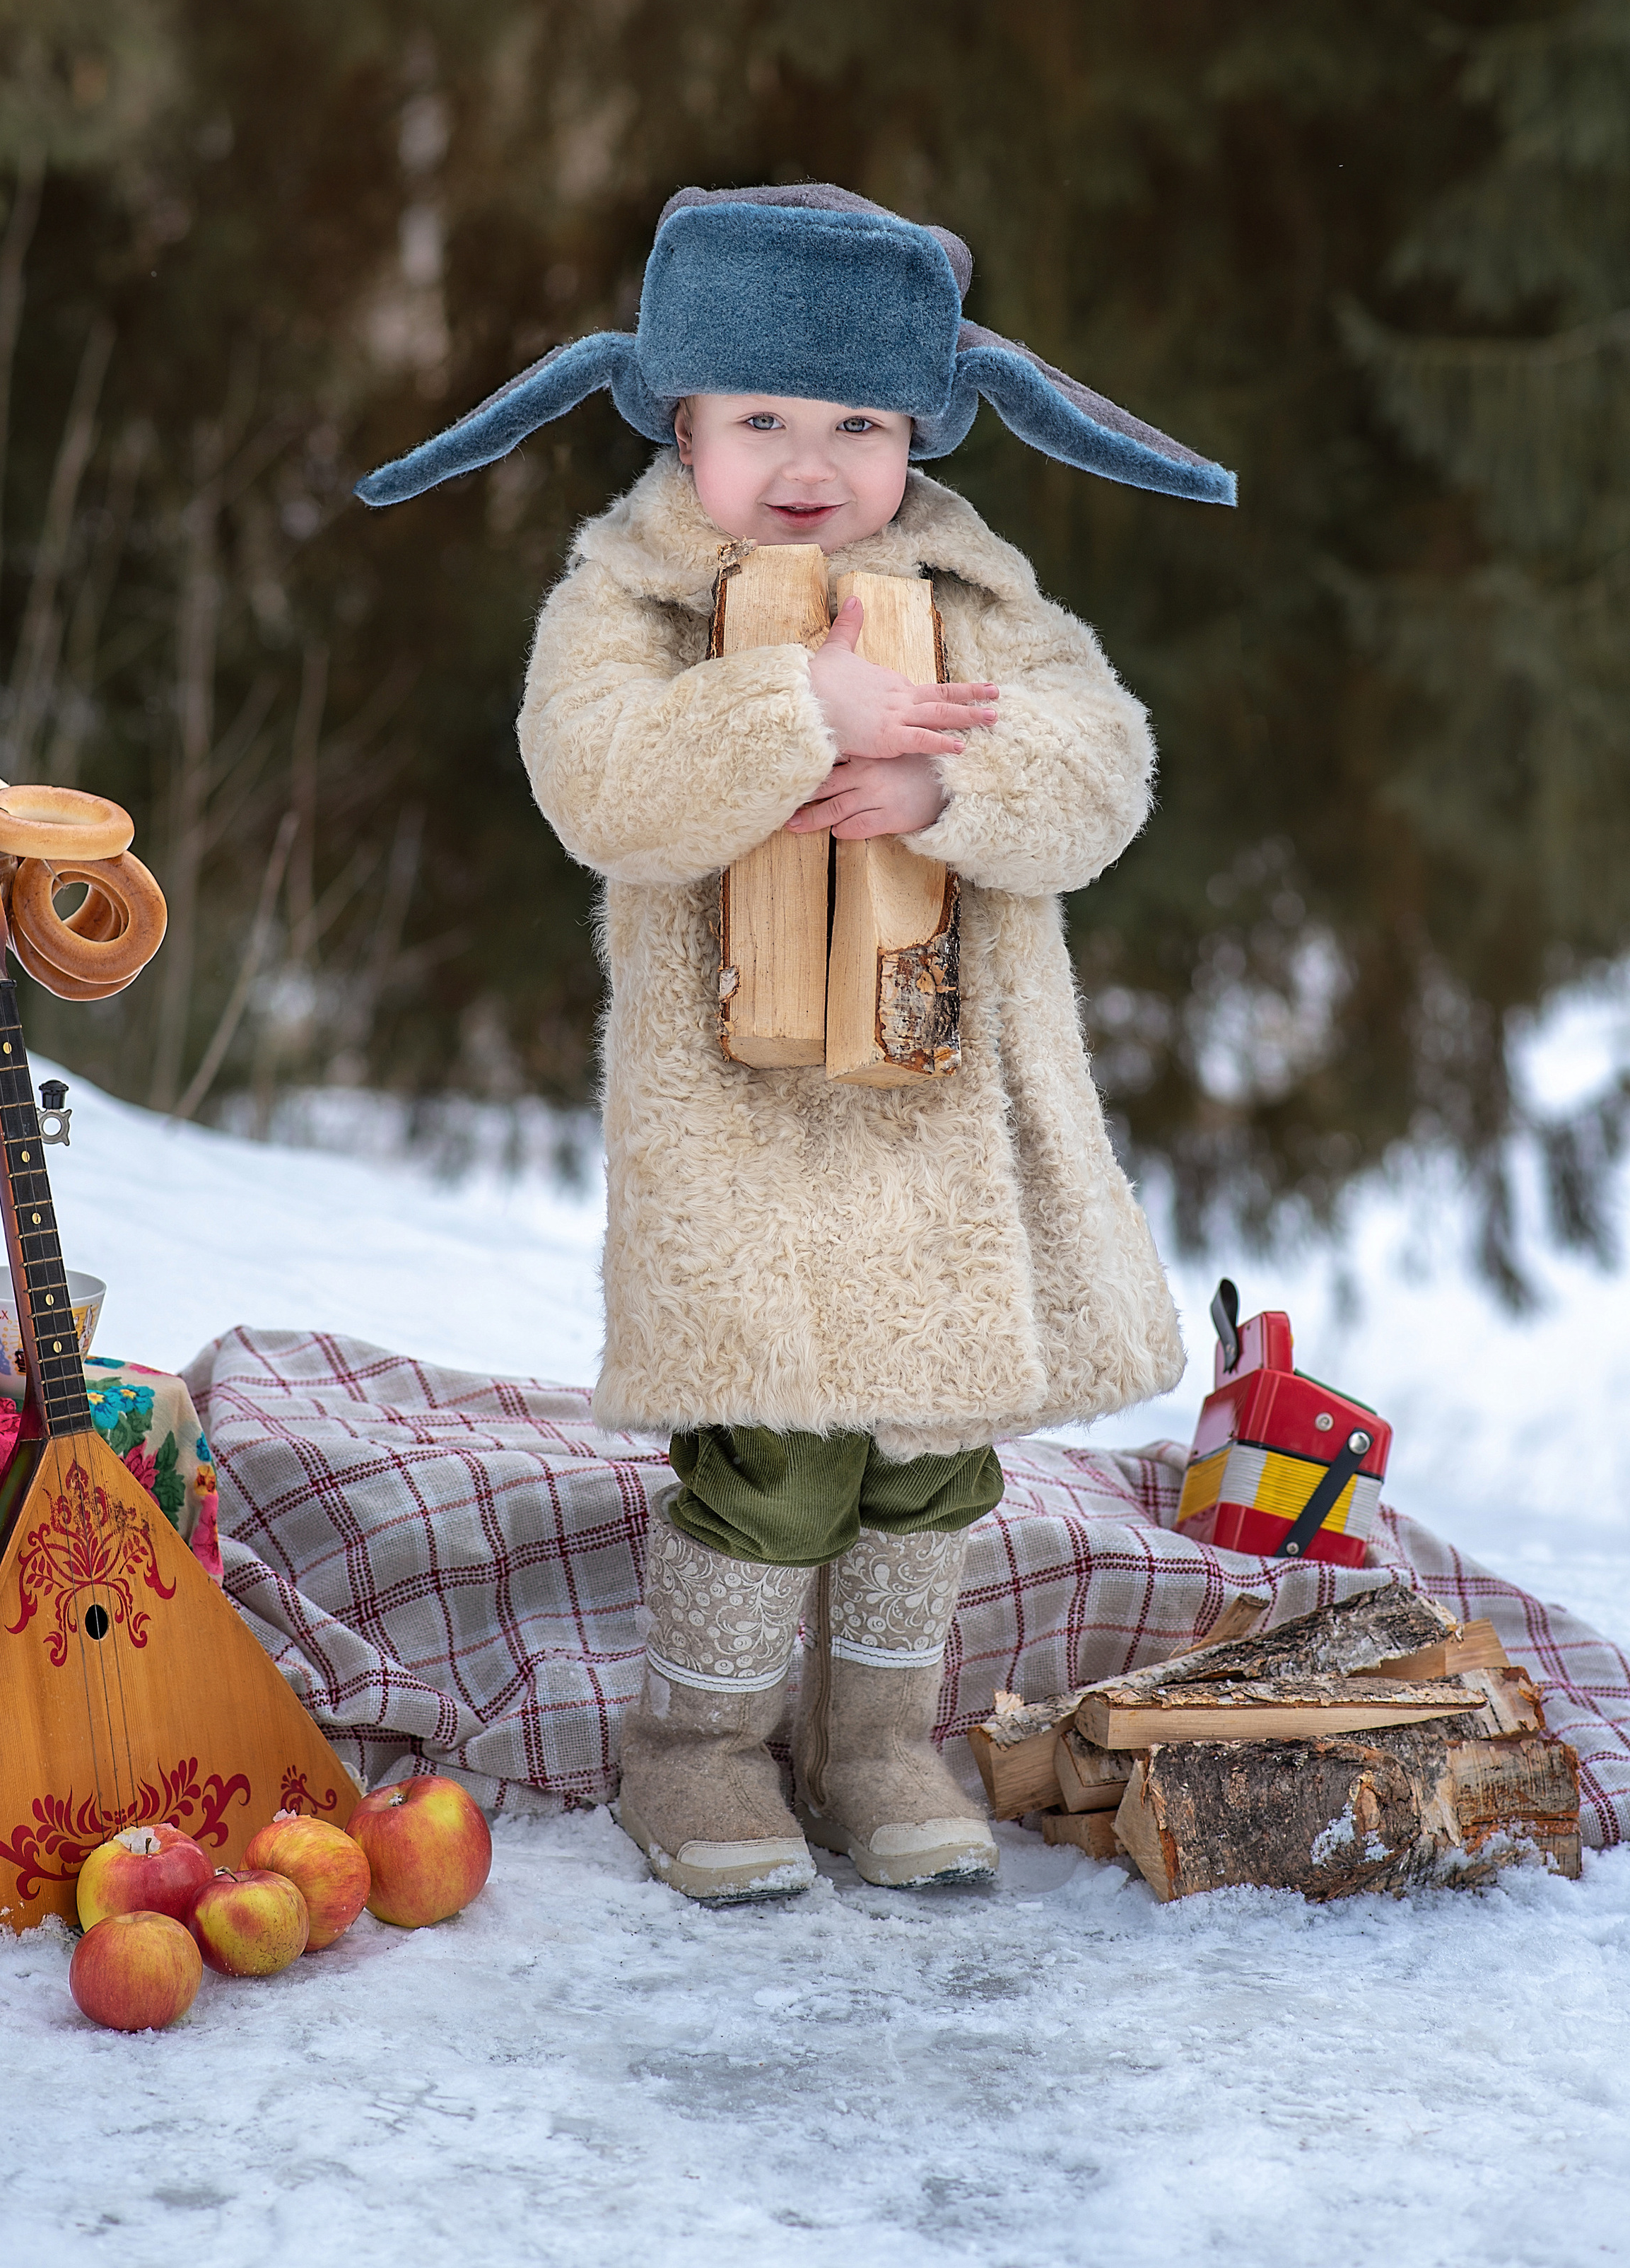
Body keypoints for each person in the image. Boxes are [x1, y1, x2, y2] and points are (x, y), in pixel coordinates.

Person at [358, 182, 1234, 1902]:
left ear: (923, 428)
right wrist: (784, 706)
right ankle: (695, 1755)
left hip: (942, 1131)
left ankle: (871, 1741)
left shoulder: (971, 598)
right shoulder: (628, 603)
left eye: (858, 420)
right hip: (745, 1133)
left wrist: (944, 781)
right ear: (677, 418)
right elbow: (599, 785)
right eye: (759, 416)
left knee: (927, 1452)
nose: (809, 461)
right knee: (770, 1456)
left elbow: (1099, 761)